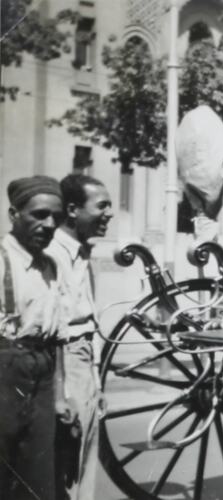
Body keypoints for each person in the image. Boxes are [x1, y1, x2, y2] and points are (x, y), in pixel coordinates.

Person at [0, 175, 66, 500]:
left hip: (42, 370)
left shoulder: (50, 266)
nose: (49, 224)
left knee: (38, 475)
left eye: (56, 217)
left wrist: (61, 396)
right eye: (38, 215)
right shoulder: (1, 259)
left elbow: (58, 336)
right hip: (5, 369)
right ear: (14, 215)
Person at [47, 173, 113, 500]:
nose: (109, 213)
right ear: (73, 210)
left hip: (85, 364)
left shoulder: (84, 254)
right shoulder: (53, 255)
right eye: (101, 206)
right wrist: (64, 393)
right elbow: (57, 329)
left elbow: (91, 322)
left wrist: (97, 383)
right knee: (66, 465)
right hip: (66, 362)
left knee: (85, 463)